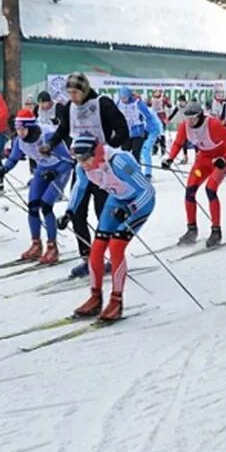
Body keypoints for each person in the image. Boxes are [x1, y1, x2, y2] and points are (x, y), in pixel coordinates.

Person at [60, 133, 154, 322]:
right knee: (96, 249)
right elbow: (79, 187)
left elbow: (148, 190)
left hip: (139, 204)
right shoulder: (83, 167)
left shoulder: (119, 162)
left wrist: (130, 209)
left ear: (96, 151)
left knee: (116, 245)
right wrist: (69, 212)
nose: (83, 163)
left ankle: (116, 301)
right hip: (115, 202)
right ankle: (95, 298)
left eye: (85, 158)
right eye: (78, 158)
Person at [46, 72, 130, 277]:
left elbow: (122, 129)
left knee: (104, 215)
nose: (71, 96)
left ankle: (110, 258)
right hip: (83, 167)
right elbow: (64, 129)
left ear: (84, 90)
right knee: (77, 214)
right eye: (69, 92)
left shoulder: (103, 103)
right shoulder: (69, 108)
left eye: (74, 92)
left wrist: (107, 149)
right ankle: (88, 258)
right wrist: (51, 144)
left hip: (103, 168)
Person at [0, 110, 73, 264]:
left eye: (22, 129)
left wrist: (55, 173)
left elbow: (69, 161)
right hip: (42, 169)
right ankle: (36, 244)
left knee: (46, 206)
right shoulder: (19, 140)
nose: (19, 132)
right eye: (17, 129)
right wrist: (3, 169)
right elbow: (13, 158)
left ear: (31, 127)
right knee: (32, 205)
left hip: (59, 170)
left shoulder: (47, 136)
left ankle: (52, 247)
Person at [162, 100, 226, 248]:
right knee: (190, 191)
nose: (189, 121)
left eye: (193, 118)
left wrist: (225, 158)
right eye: (187, 118)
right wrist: (170, 159)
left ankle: (216, 231)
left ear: (200, 116)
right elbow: (178, 143)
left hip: (218, 161)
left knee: (210, 189)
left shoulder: (213, 125)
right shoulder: (185, 127)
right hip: (202, 162)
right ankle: (191, 229)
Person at [117, 86, 164, 178]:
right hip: (126, 132)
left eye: (125, 98)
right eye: (121, 98)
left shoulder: (138, 104)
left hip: (138, 132)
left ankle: (138, 174)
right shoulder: (118, 103)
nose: (123, 100)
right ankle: (126, 174)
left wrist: (150, 131)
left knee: (137, 154)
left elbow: (149, 117)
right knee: (125, 153)